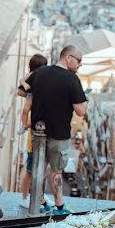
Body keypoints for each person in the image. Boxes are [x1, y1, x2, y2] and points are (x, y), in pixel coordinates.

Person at [25, 45, 88, 215]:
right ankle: (59, 207)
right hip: (59, 133)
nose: (80, 65)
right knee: (56, 171)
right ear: (68, 58)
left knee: (39, 168)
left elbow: (22, 90)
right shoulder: (71, 79)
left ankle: (39, 201)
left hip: (38, 132)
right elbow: (81, 111)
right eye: (79, 60)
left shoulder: (40, 72)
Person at [17, 53, 48, 210]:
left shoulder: (32, 81)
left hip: (34, 130)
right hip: (37, 130)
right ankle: (25, 196)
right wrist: (26, 125)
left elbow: (22, 89)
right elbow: (25, 108)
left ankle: (35, 196)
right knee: (32, 169)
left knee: (34, 168)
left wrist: (24, 126)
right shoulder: (40, 85)